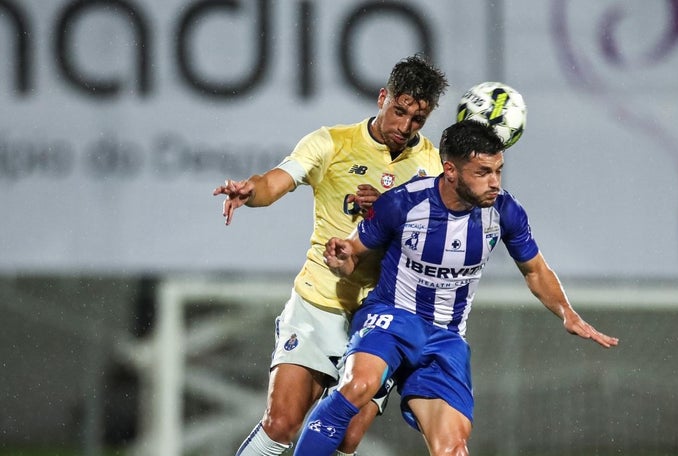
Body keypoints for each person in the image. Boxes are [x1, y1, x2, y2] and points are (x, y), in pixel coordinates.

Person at [294, 120, 619, 456]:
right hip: (392, 318)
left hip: (446, 337)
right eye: (483, 172)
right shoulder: (402, 203)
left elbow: (535, 270)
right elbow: (352, 255)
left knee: (453, 448)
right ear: (450, 171)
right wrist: (340, 259)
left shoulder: (505, 211)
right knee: (357, 387)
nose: (494, 183)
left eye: (498, 171)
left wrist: (567, 313)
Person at [213, 54, 449, 456]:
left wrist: (392, 209)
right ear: (382, 98)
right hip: (317, 305)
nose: (404, 127)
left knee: (347, 436)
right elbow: (276, 180)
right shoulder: (331, 142)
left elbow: (438, 239)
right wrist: (251, 192)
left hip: (380, 316)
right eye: (399, 111)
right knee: (281, 423)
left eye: (417, 120)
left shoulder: (430, 166)